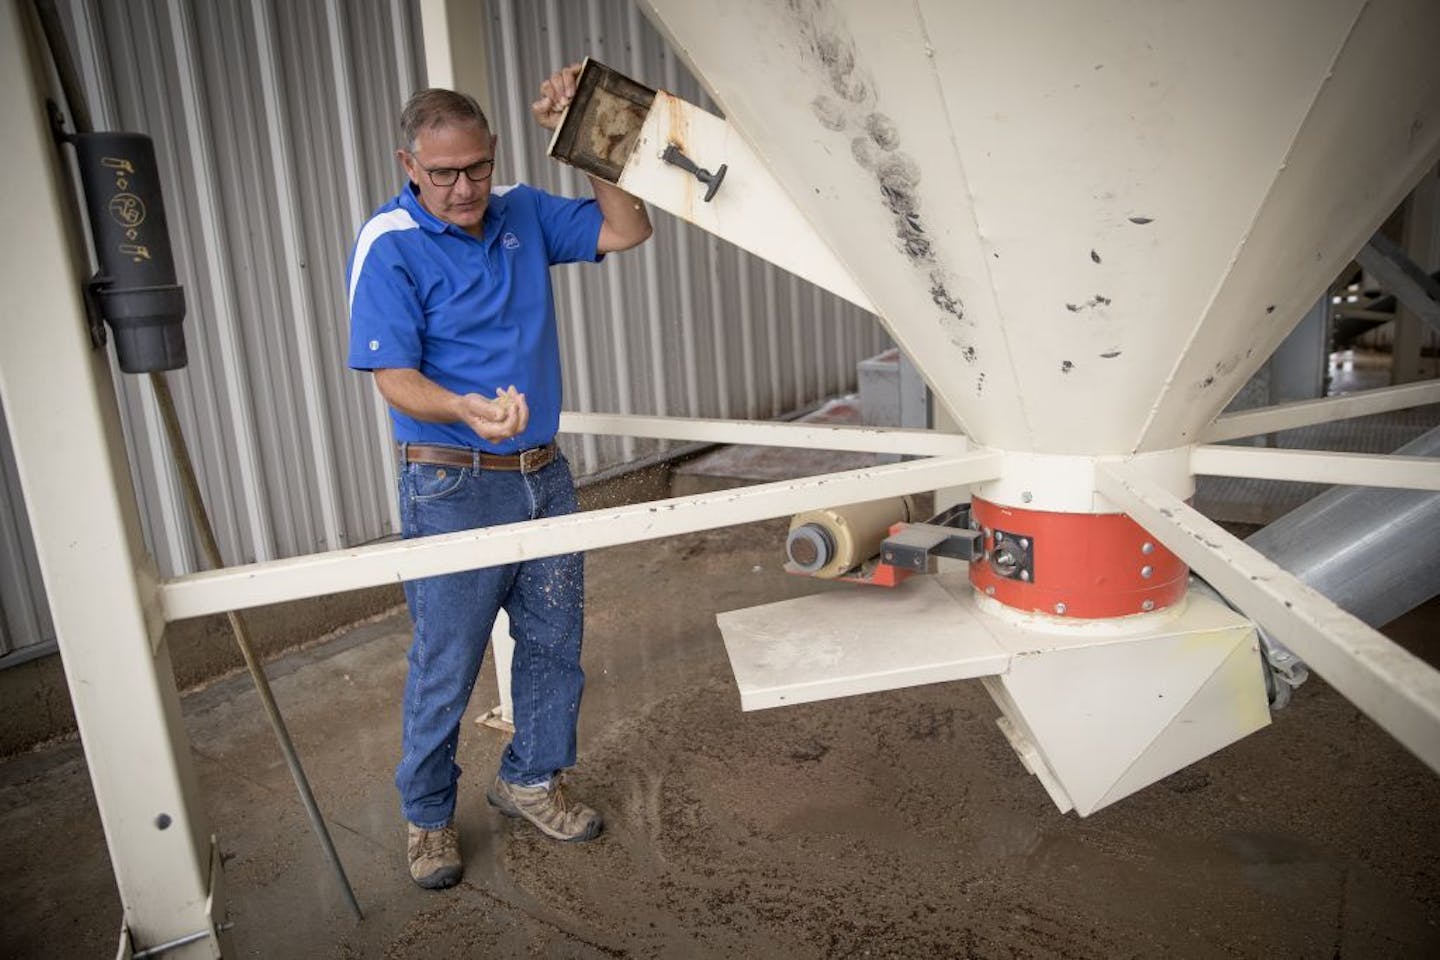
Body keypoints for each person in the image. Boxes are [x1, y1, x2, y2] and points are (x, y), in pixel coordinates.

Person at [345, 64, 652, 890]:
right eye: (442, 173)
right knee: (447, 660)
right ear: (409, 165)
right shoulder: (390, 243)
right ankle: (429, 819)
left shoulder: (519, 209)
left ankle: (529, 778)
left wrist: (587, 142)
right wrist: (465, 408)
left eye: (477, 167)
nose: (464, 188)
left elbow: (628, 230)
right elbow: (392, 378)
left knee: (554, 643)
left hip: (543, 475)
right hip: (452, 484)